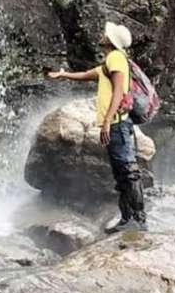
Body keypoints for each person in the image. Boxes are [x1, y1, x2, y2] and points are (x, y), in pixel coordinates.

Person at [47, 22, 147, 232]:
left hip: (118, 123)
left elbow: (119, 91)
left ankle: (138, 219)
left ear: (110, 41)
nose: (102, 35)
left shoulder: (116, 58)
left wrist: (108, 121)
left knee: (128, 171)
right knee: (121, 173)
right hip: (116, 123)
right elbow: (86, 75)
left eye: (106, 34)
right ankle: (127, 219)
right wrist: (63, 75)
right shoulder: (109, 62)